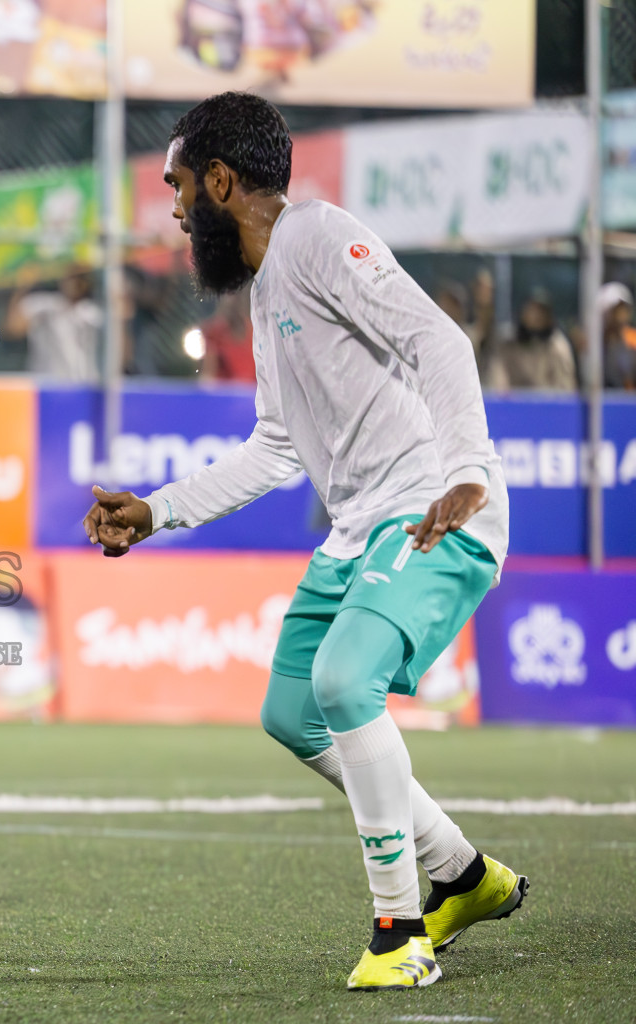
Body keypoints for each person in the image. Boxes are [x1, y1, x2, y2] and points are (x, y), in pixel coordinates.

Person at [83, 93, 525, 992]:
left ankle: (401, 930)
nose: (172, 210)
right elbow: (276, 446)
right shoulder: (270, 282)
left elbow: (440, 341)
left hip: (431, 508)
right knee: (292, 712)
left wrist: (466, 469)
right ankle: (465, 876)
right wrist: (157, 511)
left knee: (340, 682)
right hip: (363, 526)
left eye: (177, 187)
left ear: (219, 181)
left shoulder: (316, 235)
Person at [6, 263, 103, 381]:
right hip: (47, 383)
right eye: (71, 276)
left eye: (80, 277)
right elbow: (13, 329)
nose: (75, 282)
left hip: (85, 383)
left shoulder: (94, 312)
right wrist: (23, 286)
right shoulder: (45, 304)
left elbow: (121, 356)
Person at [499, 289, 577, 392]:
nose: (535, 316)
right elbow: (498, 383)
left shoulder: (558, 347)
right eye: (531, 310)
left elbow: (566, 390)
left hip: (548, 406)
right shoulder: (508, 346)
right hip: (513, 406)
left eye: (541, 312)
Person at [200, 289, 255, 383]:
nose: (231, 302)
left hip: (253, 393)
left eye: (235, 296)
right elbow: (208, 375)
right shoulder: (213, 332)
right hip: (225, 393)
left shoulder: (254, 331)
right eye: (226, 296)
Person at [600, 282, 636, 390]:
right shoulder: (595, 344)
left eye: (624, 309)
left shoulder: (633, 339)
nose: (621, 315)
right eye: (615, 310)